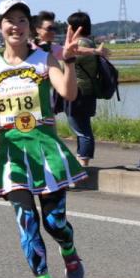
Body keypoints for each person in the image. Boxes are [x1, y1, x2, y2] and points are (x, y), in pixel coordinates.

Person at [0, 0, 87, 278]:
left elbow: (68, 93)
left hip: (45, 150)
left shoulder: (44, 59)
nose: (15, 26)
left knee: (55, 223)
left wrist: (68, 61)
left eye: (21, 20)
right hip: (12, 153)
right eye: (9, 20)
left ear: (29, 26)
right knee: (26, 221)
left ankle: (68, 249)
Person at [61, 11, 109, 168]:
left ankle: (83, 164)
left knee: (82, 130)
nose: (67, 28)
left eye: (69, 25)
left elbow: (71, 55)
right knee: (82, 128)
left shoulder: (82, 44)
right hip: (84, 91)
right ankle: (82, 161)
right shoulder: (88, 42)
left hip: (79, 92)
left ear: (76, 28)